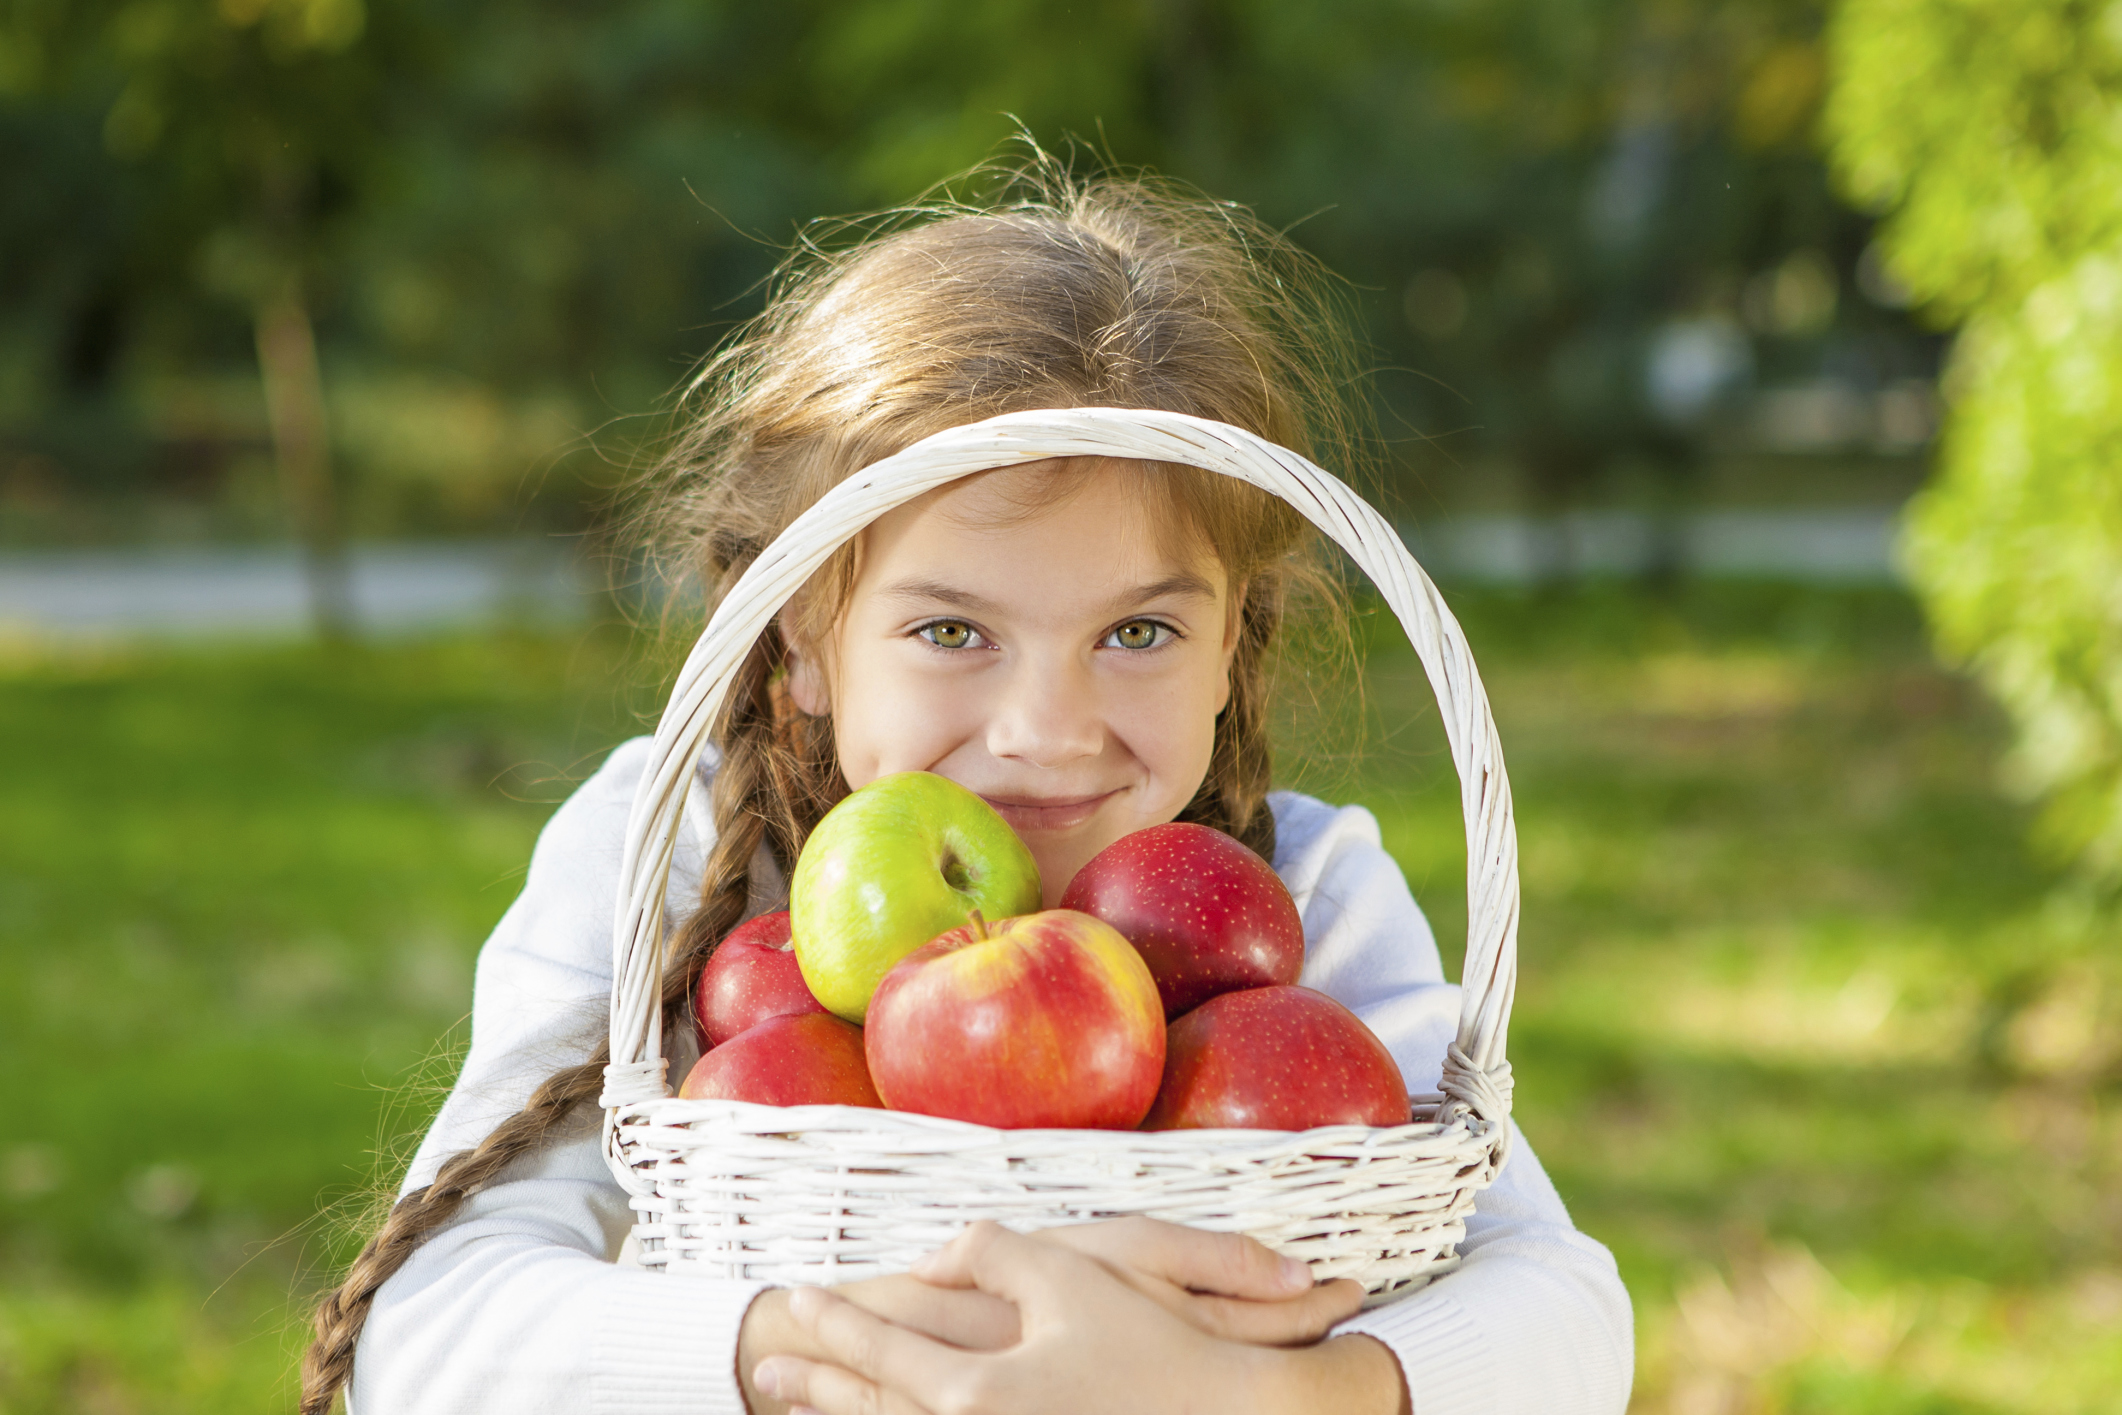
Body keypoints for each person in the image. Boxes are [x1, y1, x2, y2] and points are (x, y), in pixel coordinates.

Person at [300, 161, 1633, 1415]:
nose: (1047, 735)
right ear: (802, 638)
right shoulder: (671, 849)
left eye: (1138, 634)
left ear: (1233, 646)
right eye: (950, 632)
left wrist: (1274, 1397)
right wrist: (798, 1349)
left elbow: (1568, 1310)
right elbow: (429, 1334)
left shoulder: (1297, 902)